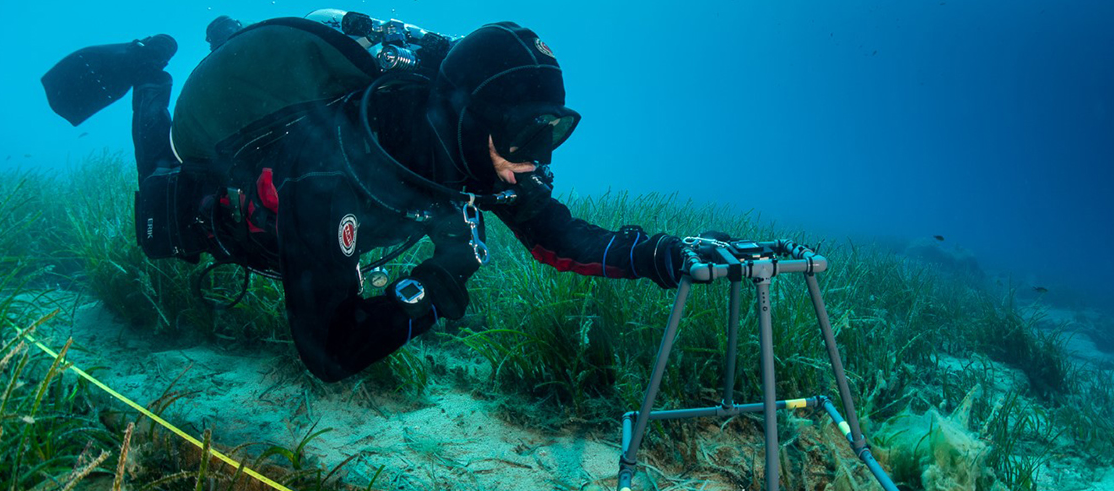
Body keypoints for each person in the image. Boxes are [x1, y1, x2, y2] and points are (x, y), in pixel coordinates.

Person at [43, 10, 707, 383]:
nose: (538, 161)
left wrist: (662, 254)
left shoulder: (483, 158)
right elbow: (329, 351)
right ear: (472, 120)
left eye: (554, 131)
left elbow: (557, 236)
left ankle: (224, 34)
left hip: (313, 166)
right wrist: (438, 284)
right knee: (161, 228)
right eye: (526, 133)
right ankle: (149, 75)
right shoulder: (329, 168)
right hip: (246, 210)